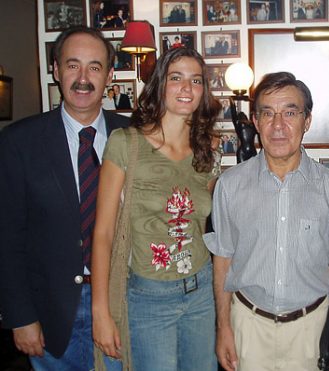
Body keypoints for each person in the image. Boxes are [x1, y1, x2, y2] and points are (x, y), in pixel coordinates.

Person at [204, 72, 329, 371]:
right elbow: (223, 260)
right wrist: (224, 327)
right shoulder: (230, 185)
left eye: (290, 113)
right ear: (256, 122)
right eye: (268, 114)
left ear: (306, 121)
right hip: (248, 325)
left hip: (310, 329)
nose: (278, 125)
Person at [0, 26, 129, 371]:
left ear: (110, 76)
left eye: (95, 67)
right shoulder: (18, 143)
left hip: (123, 304)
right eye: (73, 66)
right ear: (56, 70)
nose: (83, 78)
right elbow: (7, 237)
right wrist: (20, 316)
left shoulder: (135, 137)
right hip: (52, 313)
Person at [91, 47, 222, 371]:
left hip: (201, 291)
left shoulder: (210, 148)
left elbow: (201, 221)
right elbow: (103, 233)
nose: (187, 88)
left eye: (196, 80)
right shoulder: (126, 143)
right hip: (149, 298)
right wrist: (101, 312)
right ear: (160, 85)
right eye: (176, 78)